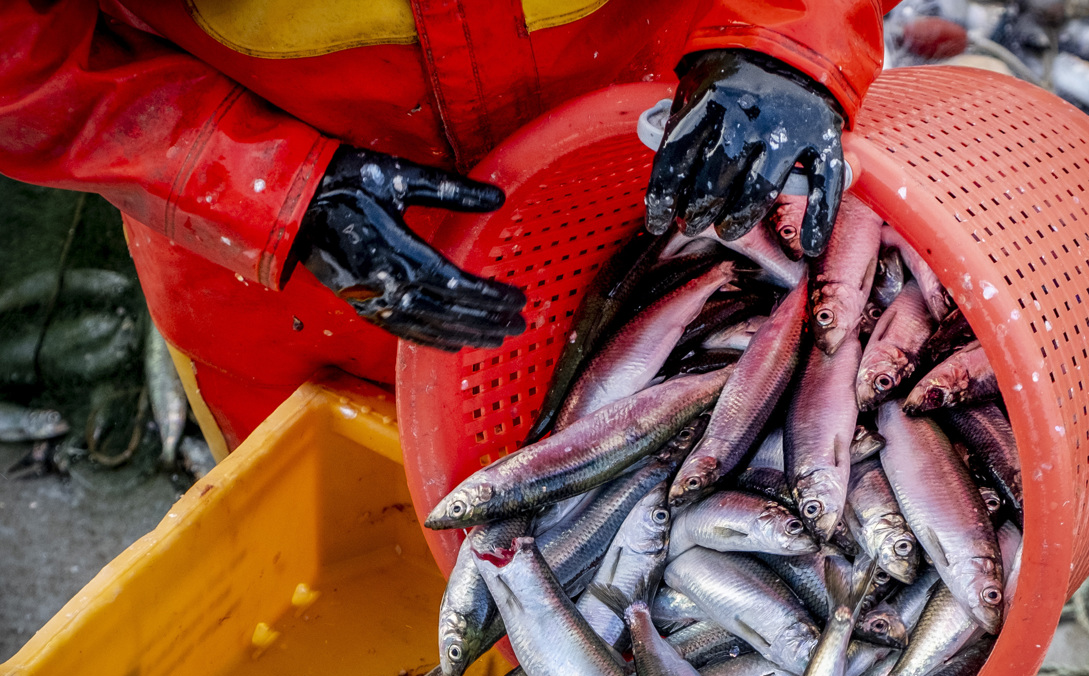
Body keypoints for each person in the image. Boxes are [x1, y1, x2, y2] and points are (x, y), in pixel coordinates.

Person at [0, 2, 890, 450]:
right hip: (282, 290)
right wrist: (261, 188)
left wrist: (784, 42)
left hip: (660, 202)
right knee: (362, 559)